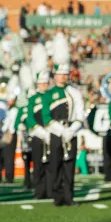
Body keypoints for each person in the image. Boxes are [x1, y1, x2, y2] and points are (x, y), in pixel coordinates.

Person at [46, 63, 84, 207]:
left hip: (71, 131)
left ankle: (69, 196)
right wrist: (62, 131)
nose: (63, 76)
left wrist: (72, 129)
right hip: (56, 133)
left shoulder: (75, 92)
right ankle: (57, 196)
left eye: (65, 73)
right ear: (55, 76)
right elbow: (46, 117)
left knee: (69, 165)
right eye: (60, 74)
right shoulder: (49, 94)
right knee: (55, 165)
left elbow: (80, 114)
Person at [27, 71, 51, 199]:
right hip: (37, 134)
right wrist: (40, 131)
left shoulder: (52, 96)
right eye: (41, 83)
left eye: (45, 83)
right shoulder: (33, 99)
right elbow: (29, 118)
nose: (43, 85)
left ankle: (51, 189)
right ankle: (39, 191)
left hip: (52, 132)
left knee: (51, 164)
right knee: (38, 165)